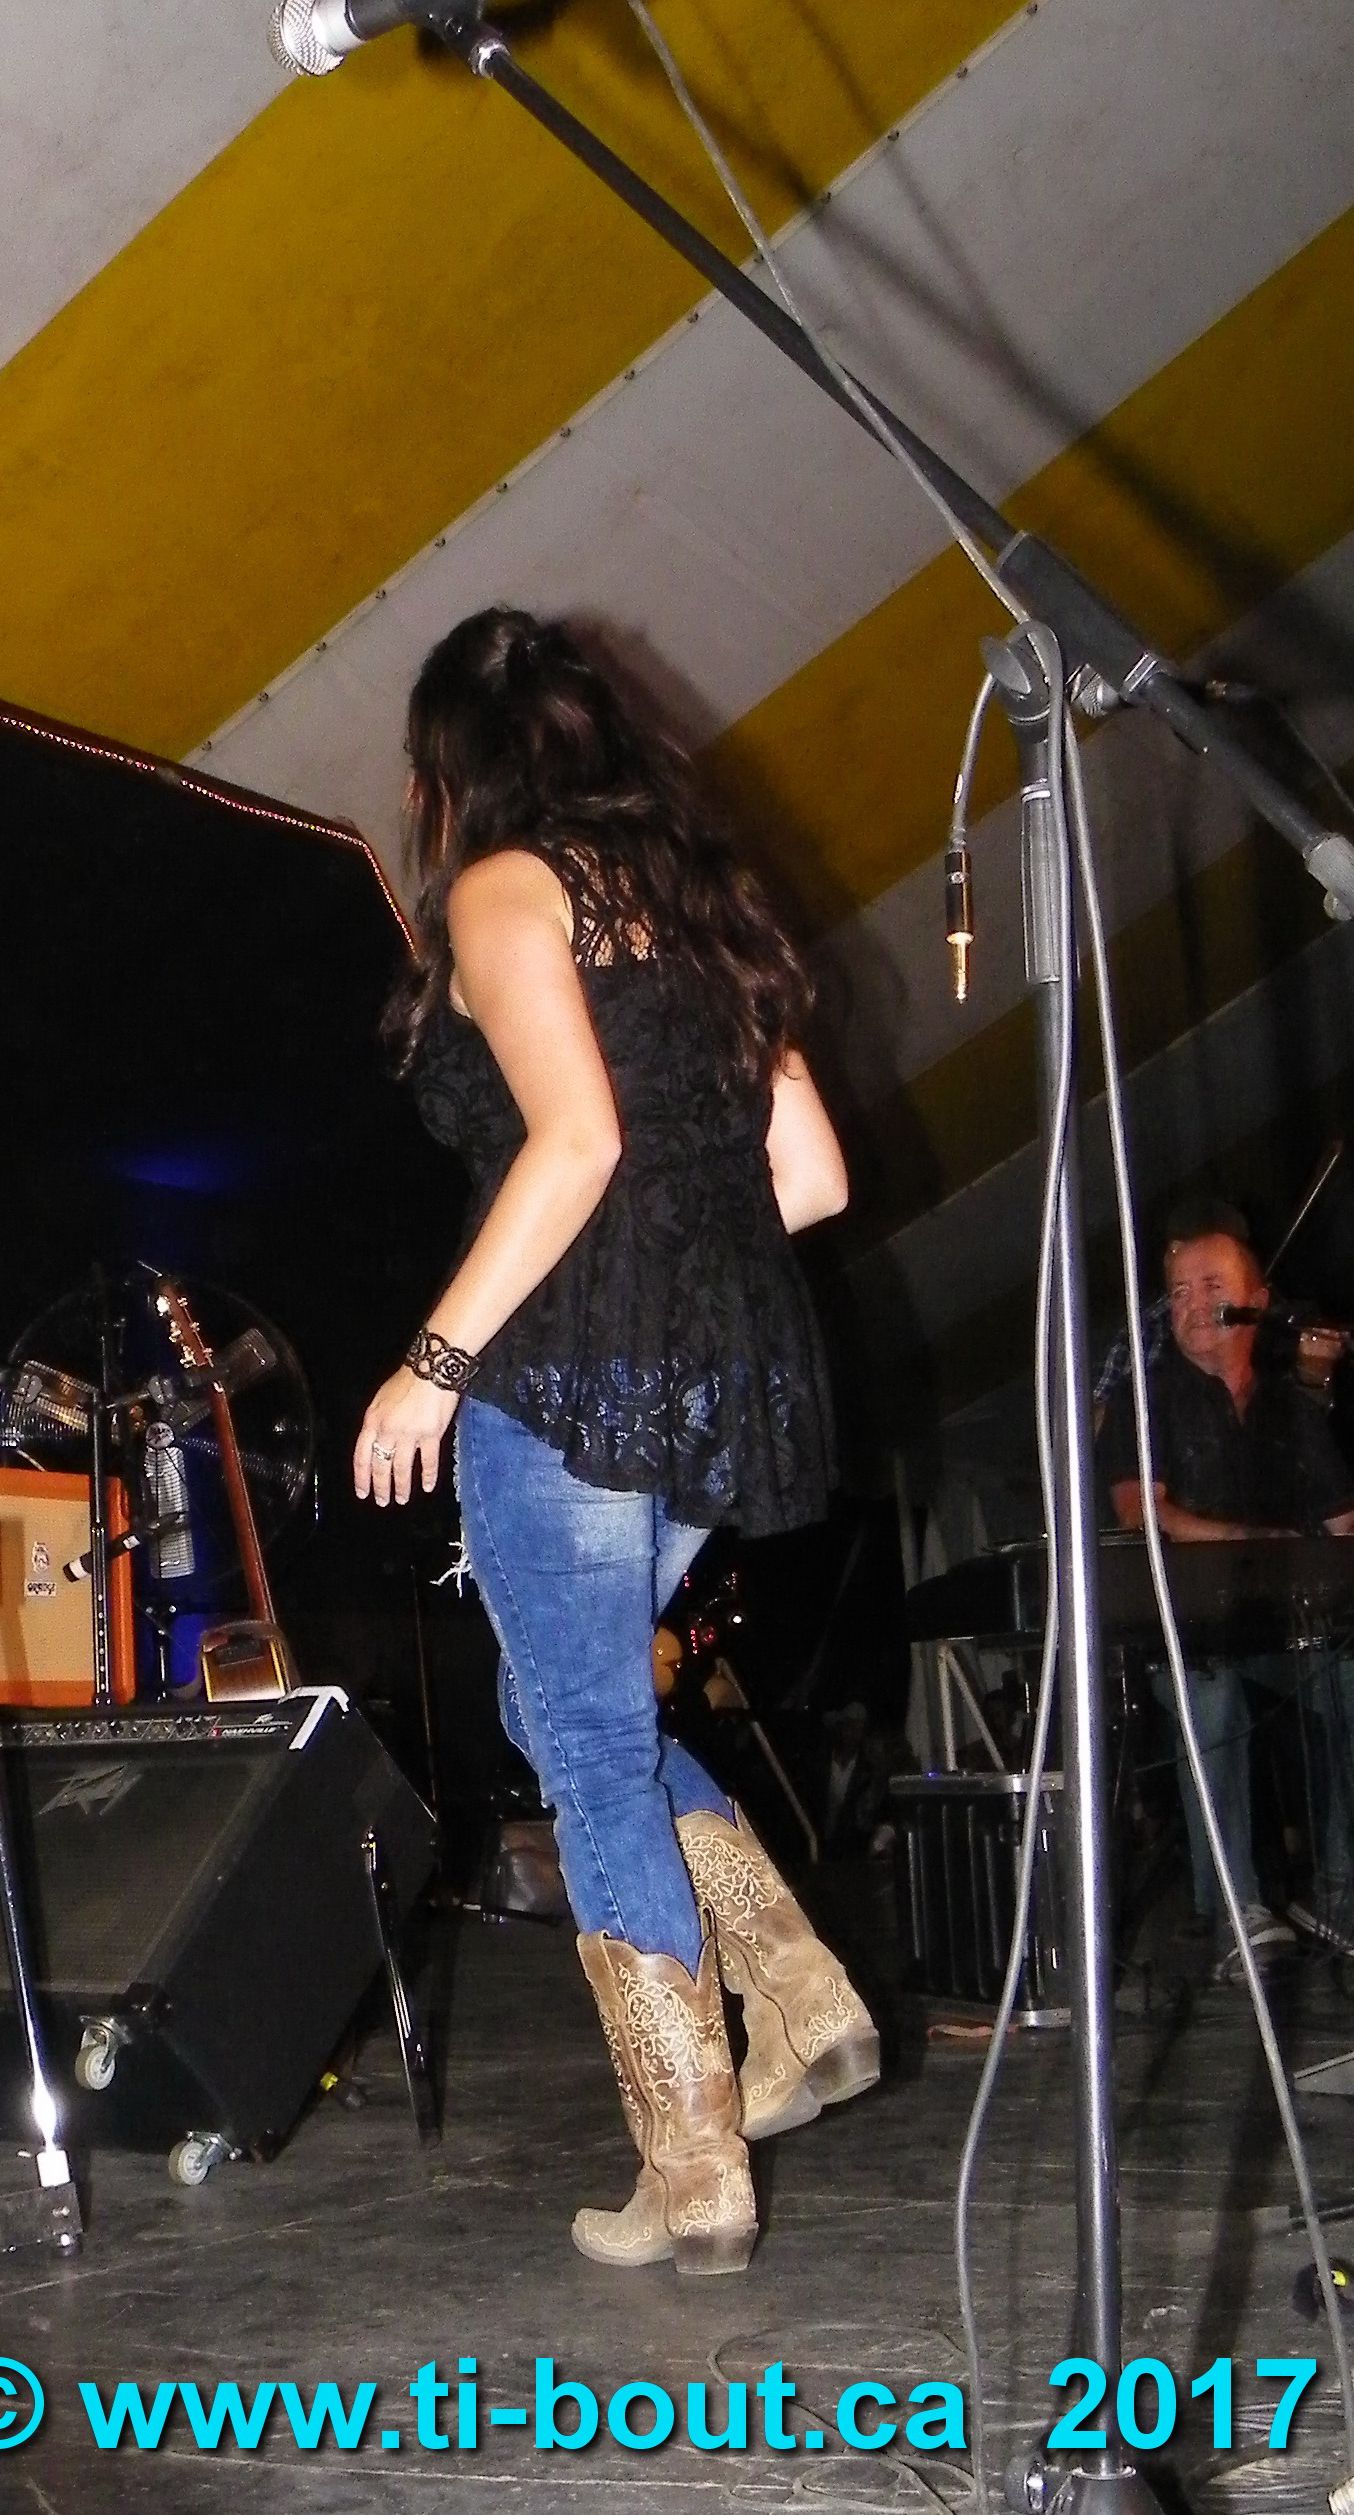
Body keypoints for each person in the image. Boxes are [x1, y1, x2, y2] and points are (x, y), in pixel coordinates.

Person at [352, 608, 878, 2277]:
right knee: (559, 1703)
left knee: (581, 1742)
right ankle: (794, 1991)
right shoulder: (703, 909)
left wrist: (431, 1365)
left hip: (567, 1378)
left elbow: (573, 1144)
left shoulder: (506, 890)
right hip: (720, 1383)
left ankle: (692, 2157)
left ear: (449, 771)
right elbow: (812, 1182)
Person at [1097, 1198, 1354, 1977]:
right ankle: (1234, 1910)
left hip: (1278, 1628)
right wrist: (1249, 1542)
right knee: (1210, 1699)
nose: (1191, 1304)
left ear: (1255, 1303)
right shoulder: (1145, 1395)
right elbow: (1142, 1512)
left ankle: (1353, 1890)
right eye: (1178, 1291)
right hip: (1184, 1636)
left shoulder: (1287, 1406)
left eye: (1210, 1286)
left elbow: (1348, 1517)